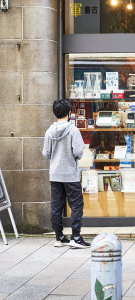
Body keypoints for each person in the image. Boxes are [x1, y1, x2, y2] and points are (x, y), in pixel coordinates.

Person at [42, 99, 90, 249]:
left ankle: (59, 237)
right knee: (76, 205)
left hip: (55, 174)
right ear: (69, 113)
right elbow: (78, 151)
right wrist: (75, 157)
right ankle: (75, 237)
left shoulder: (49, 131)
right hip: (70, 174)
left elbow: (46, 153)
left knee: (56, 206)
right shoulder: (73, 130)